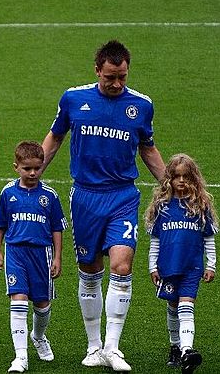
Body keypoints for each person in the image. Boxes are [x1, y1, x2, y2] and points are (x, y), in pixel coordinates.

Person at [41, 40, 165, 372]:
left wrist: (169, 184)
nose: (116, 84)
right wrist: (35, 171)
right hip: (85, 196)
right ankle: (94, 345)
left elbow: (148, 149)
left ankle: (112, 347)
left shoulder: (141, 106)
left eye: (122, 77)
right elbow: (55, 136)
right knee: (90, 270)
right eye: (110, 77)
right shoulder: (74, 98)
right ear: (97, 70)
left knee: (122, 266)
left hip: (123, 196)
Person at [0, 141, 68, 373]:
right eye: (27, 169)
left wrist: (57, 257)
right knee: (19, 300)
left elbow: (57, 228)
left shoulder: (50, 196)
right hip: (15, 252)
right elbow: (0, 224)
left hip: (41, 254)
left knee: (42, 305)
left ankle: (38, 336)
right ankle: (20, 357)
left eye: (37, 168)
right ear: (16, 167)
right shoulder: (8, 193)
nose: (33, 173)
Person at [145, 153, 218, 374]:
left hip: (191, 267)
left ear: (194, 179)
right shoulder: (162, 207)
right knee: (173, 306)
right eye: (177, 177)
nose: (182, 181)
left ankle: (187, 351)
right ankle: (175, 346)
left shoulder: (200, 205)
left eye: (186, 177)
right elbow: (155, 240)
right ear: (169, 179)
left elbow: (209, 238)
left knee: (186, 307)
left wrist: (211, 264)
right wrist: (152, 266)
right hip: (168, 266)